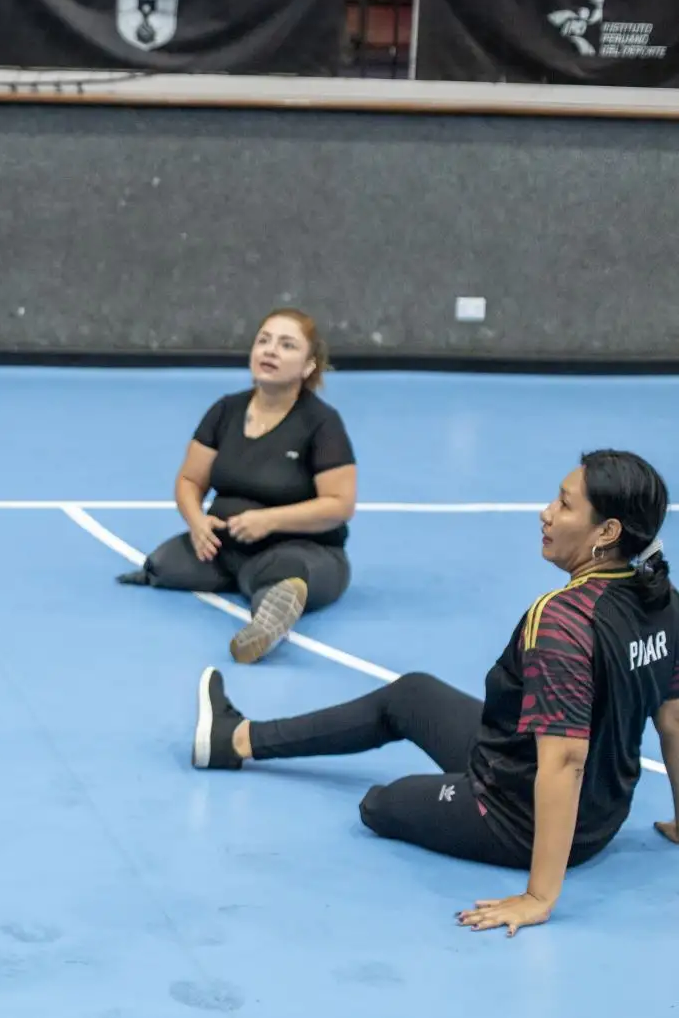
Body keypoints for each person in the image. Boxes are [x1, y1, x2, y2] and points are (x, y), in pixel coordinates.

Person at [191, 450, 679, 935]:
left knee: (380, 804)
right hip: (595, 806)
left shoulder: (565, 620)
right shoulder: (662, 599)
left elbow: (566, 762)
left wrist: (538, 896)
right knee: (412, 694)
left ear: (608, 532)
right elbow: (673, 721)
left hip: (518, 818)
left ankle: (475, 806)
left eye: (565, 505)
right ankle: (236, 738)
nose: (546, 513)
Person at [118, 308, 356, 663]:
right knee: (163, 565)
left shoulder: (322, 423)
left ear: (308, 367)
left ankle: (268, 618)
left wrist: (270, 520)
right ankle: (249, 580)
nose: (270, 350)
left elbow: (339, 505)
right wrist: (197, 523)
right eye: (264, 341)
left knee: (283, 576)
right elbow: (189, 480)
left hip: (302, 547)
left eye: (286, 345)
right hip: (227, 545)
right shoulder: (225, 411)